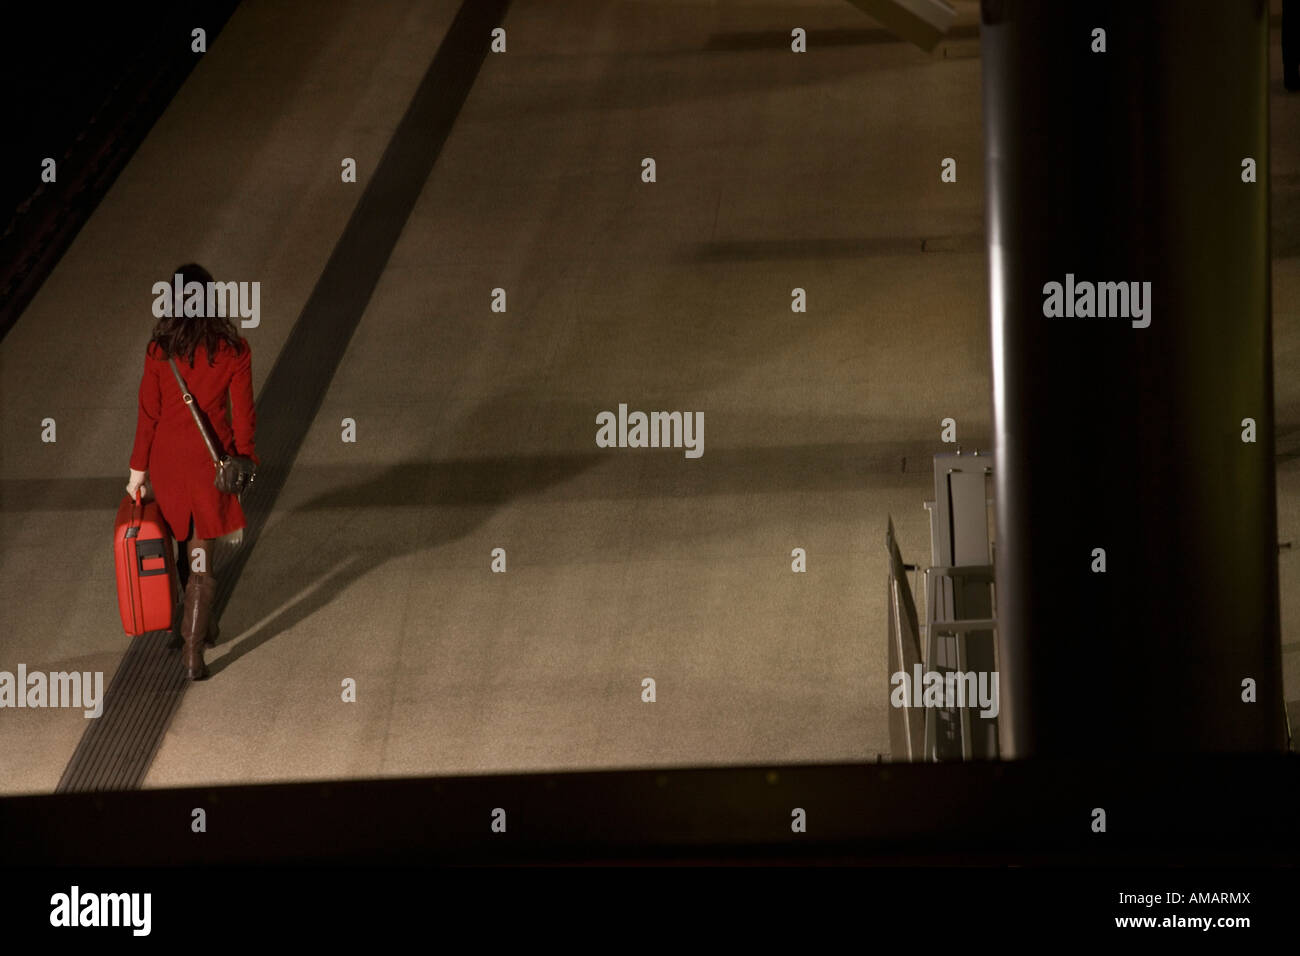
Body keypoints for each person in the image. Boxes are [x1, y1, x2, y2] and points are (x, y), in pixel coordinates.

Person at [126, 263, 258, 680]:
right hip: (208, 462)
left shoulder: (159, 350)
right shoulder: (233, 350)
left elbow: (148, 415)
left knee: (181, 542)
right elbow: (244, 416)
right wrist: (245, 457)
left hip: (167, 464)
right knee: (201, 556)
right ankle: (193, 651)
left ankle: (198, 624)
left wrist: (138, 471)